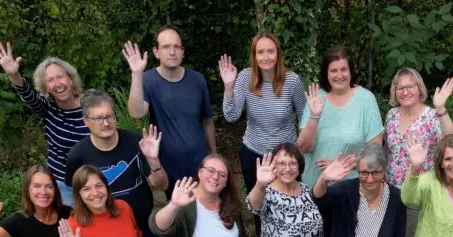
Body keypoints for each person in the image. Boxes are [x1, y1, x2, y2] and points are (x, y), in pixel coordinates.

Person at [64, 90, 167, 237]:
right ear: (86, 121)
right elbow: (76, 196)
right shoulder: (78, 155)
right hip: (105, 232)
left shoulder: (135, 141)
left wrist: (154, 161)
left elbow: (161, 185)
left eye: (109, 116)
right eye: (98, 118)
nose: (106, 123)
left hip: (143, 225)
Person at [0, 43, 88, 205]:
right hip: (63, 186)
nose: (57, 84)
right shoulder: (48, 108)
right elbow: (29, 96)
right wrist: (14, 75)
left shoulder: (91, 104)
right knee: (69, 221)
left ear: (70, 79)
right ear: (46, 87)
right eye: (50, 80)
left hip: (93, 181)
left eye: (60, 77)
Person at [123, 27, 215, 186]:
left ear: (183, 52)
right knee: (177, 202)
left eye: (177, 47)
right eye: (166, 47)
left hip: (201, 163)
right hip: (169, 166)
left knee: (206, 201)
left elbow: (207, 121)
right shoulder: (148, 80)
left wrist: (213, 154)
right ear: (156, 52)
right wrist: (136, 74)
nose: (172, 52)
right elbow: (136, 113)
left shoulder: (197, 80)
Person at [219, 33, 307, 193]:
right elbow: (231, 116)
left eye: (270, 51)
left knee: (288, 202)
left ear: (278, 53)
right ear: (254, 56)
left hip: (286, 156)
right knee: (258, 203)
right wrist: (229, 87)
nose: (266, 57)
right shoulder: (245, 78)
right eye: (260, 52)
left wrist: (299, 149)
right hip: (254, 155)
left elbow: (304, 117)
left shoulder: (292, 81)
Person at [297, 45, 384, 188]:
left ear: (351, 71)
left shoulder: (366, 100)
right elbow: (303, 147)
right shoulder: (316, 98)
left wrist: (341, 165)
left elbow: (375, 153)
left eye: (343, 69)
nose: (339, 75)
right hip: (312, 187)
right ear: (326, 73)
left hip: (349, 188)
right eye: (333, 70)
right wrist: (314, 117)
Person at [248, 145, 325, 237]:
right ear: (273, 167)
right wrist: (259, 185)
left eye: (292, 163)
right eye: (281, 164)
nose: (287, 168)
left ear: (299, 166)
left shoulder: (308, 190)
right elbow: (253, 205)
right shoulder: (267, 192)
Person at [383, 68, 453, 187]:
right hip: (392, 188)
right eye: (400, 88)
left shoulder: (432, 116)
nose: (405, 92)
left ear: (420, 89)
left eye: (410, 86)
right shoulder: (391, 115)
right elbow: (386, 151)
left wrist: (440, 108)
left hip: (422, 189)